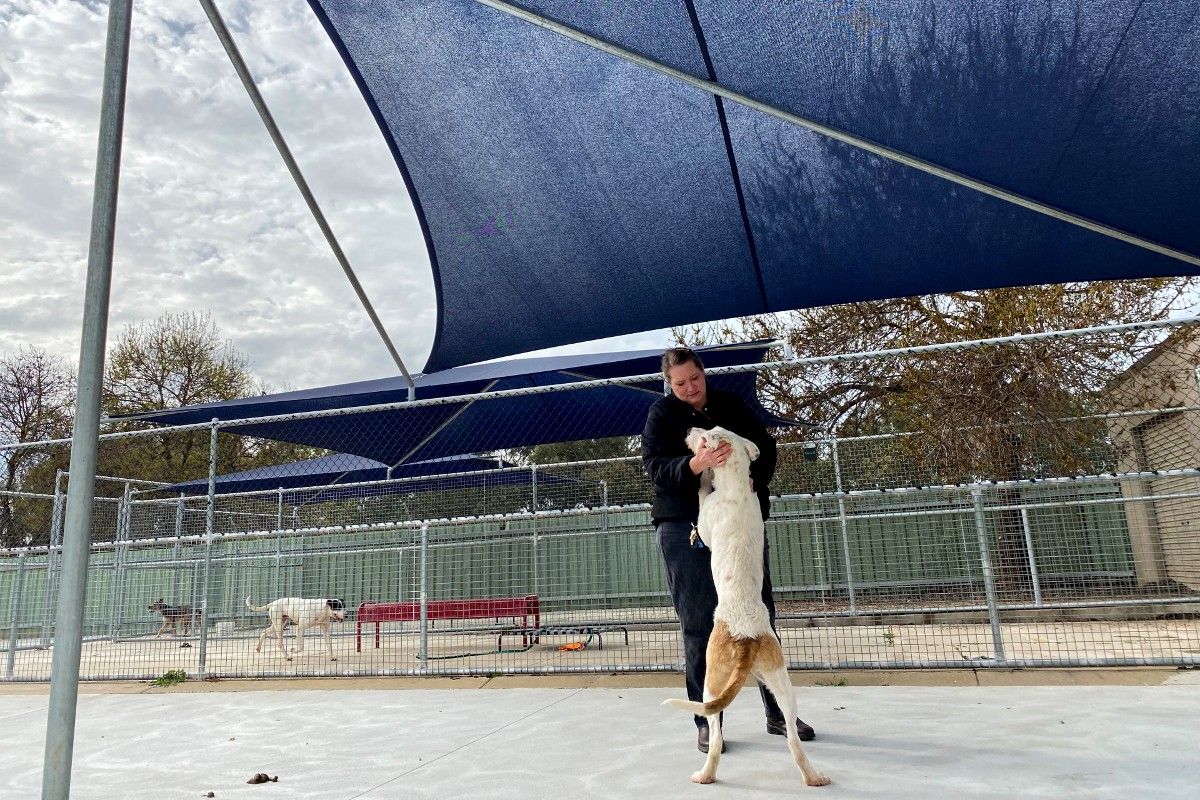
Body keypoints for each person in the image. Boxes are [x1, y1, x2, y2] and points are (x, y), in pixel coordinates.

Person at [641, 346, 816, 754]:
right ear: (669, 384)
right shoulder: (662, 416)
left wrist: (753, 479)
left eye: (694, 379)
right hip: (685, 526)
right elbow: (655, 467)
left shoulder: (731, 405)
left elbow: (765, 449)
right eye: (679, 383)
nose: (689, 389)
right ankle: (708, 718)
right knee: (700, 622)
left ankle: (778, 713)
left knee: (757, 614)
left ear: (704, 373)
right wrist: (696, 465)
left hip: (738, 525)